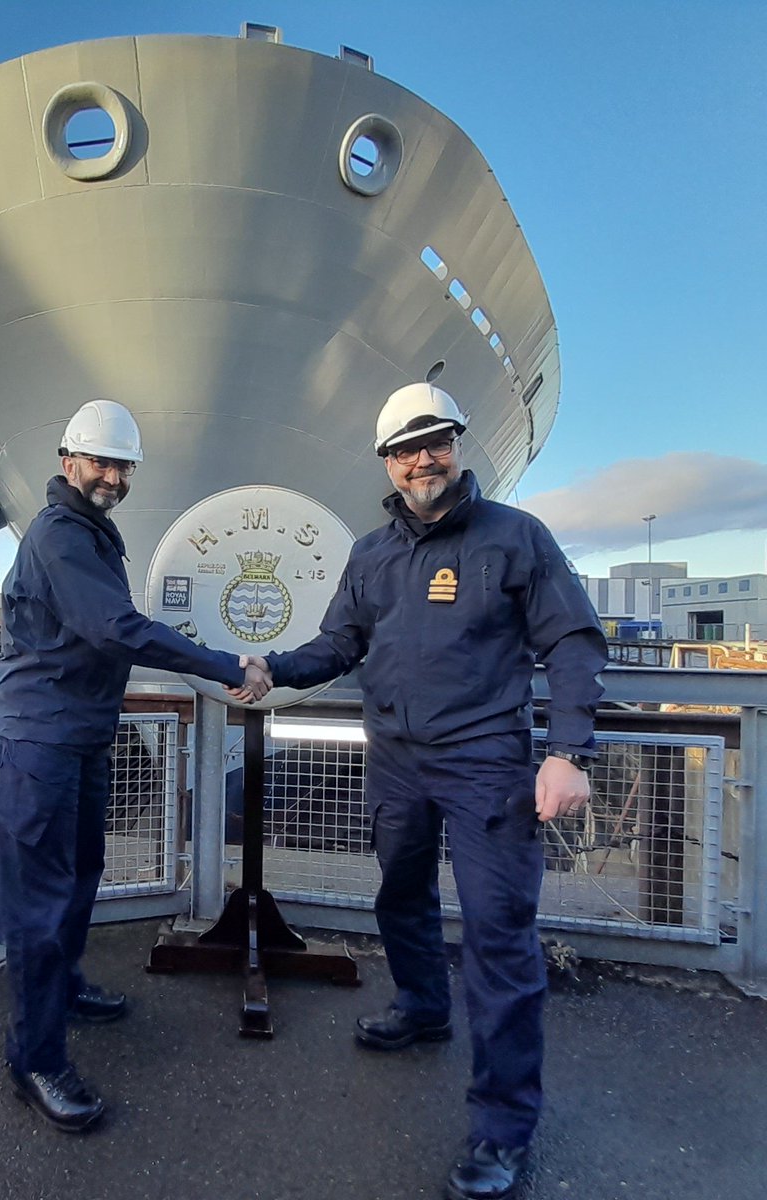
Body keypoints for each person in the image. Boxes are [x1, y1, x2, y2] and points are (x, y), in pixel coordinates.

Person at [251, 383, 607, 1200]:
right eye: (406, 448)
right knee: (401, 892)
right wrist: (273, 668)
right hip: (396, 761)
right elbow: (338, 643)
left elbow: (575, 641)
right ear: (387, 462)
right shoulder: (372, 553)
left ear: (457, 444)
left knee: (499, 936)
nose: (423, 459)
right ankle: (421, 1004)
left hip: (487, 762)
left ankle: (502, 1129)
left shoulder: (516, 539)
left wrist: (567, 751)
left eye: (435, 441)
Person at [0, 399, 269, 1134]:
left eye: (122, 465)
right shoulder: (61, 537)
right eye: (101, 462)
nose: (112, 475)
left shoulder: (92, 533)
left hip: (79, 736)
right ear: (68, 461)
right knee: (41, 906)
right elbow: (117, 628)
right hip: (42, 743)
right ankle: (35, 1059)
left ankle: (67, 989)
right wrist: (224, 665)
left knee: (80, 876)